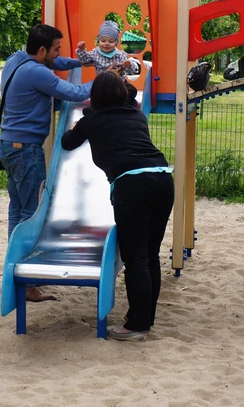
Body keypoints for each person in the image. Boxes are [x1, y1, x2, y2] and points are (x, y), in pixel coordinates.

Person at [61, 71, 174, 341]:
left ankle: (136, 327)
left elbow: (67, 143)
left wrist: (83, 118)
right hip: (162, 178)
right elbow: (130, 98)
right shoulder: (137, 115)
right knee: (150, 255)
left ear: (95, 98)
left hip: (132, 186)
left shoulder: (94, 121)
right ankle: (145, 319)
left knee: (135, 257)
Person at [0, 24, 93, 302]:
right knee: (31, 214)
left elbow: (59, 64)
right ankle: (26, 283)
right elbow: (74, 93)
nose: (59, 55)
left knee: (18, 209)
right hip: (26, 150)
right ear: (41, 51)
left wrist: (81, 60)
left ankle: (14, 270)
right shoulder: (37, 72)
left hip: (9, 146)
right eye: (55, 49)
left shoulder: (16, 60)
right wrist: (105, 79)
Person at [76, 20, 139, 105]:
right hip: (103, 84)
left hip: (120, 84)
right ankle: (98, 108)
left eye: (111, 41)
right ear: (98, 41)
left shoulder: (121, 55)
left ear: (116, 43)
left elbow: (131, 72)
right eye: (103, 41)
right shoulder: (95, 53)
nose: (106, 44)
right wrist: (82, 50)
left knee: (132, 91)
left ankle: (118, 105)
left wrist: (129, 65)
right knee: (95, 92)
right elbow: (84, 60)